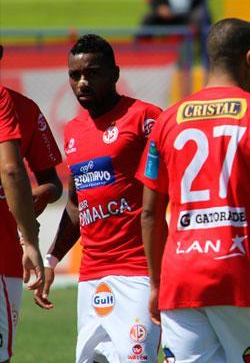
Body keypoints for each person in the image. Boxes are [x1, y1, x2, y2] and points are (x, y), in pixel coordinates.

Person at [137, 18, 250, 362]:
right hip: (243, 280)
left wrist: (154, 283)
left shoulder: (167, 120)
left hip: (180, 284)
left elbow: (149, 212)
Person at [34, 34, 162, 363]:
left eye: (92, 73)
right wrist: (51, 260)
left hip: (138, 273)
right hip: (91, 278)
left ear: (115, 74)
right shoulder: (75, 130)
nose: (82, 82)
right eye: (75, 75)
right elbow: (78, 204)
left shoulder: (146, 118)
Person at [0, 45, 62, 363]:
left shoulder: (24, 109)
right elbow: (11, 170)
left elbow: (52, 181)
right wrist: (31, 240)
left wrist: (36, 194)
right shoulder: (2, 100)